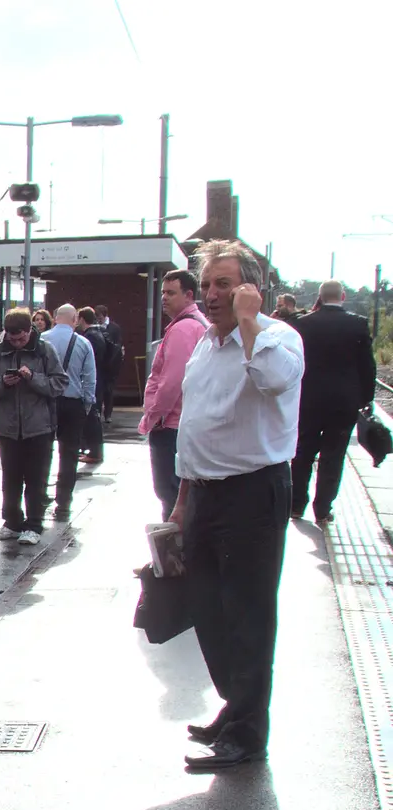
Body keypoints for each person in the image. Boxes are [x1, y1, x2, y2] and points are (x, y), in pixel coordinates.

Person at [169, 240, 304, 771]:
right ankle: (237, 704)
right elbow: (194, 425)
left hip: (253, 490)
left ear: (252, 288)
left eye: (224, 284)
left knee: (247, 613)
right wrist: (181, 502)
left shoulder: (277, 337)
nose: (212, 294)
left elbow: (272, 380)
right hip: (203, 491)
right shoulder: (204, 343)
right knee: (207, 607)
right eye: (206, 285)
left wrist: (249, 322)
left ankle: (248, 733)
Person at [0, 309, 66, 545]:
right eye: (12, 339)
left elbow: (59, 383)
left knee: (36, 478)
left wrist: (33, 378)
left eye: (21, 339)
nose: (16, 344)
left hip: (39, 426)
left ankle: (34, 524)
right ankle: (12, 522)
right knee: (10, 478)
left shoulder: (45, 350)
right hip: (7, 426)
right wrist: (2, 383)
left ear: (30, 331)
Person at [292, 280, 376, 523]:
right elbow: (367, 365)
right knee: (333, 455)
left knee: (302, 451)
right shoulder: (357, 324)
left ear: (319, 296)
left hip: (307, 399)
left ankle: (296, 506)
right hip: (344, 402)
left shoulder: (304, 324)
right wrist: (366, 398)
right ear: (342, 296)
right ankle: (323, 509)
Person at [139, 270, 208, 520]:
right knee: (178, 494)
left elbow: (172, 381)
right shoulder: (197, 324)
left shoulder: (183, 329)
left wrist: (155, 417)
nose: (164, 298)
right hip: (182, 422)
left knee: (170, 493)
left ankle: (171, 556)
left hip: (171, 425)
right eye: (162, 293)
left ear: (189, 295)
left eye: (171, 293)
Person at [41, 304, 97, 521]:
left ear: (55, 318)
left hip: (44, 401)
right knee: (69, 454)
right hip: (72, 404)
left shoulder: (41, 340)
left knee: (42, 451)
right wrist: (87, 405)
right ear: (75, 319)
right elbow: (89, 378)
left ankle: (39, 496)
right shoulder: (83, 343)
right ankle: (63, 503)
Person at [76, 306, 112, 465]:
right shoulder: (101, 334)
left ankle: (94, 452)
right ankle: (91, 450)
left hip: (92, 381)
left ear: (82, 319)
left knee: (91, 415)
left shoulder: (89, 337)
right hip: (101, 378)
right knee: (93, 415)